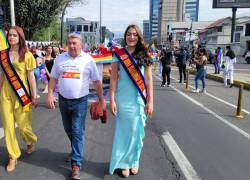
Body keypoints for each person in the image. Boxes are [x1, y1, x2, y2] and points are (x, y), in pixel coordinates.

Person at [47, 32, 106, 180]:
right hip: (63, 100)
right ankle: (76, 151)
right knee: (68, 129)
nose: (72, 46)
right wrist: (49, 94)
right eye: (70, 43)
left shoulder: (88, 60)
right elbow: (53, 78)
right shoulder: (60, 59)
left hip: (80, 101)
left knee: (77, 131)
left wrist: (101, 99)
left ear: (82, 45)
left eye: (75, 43)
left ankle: (76, 165)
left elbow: (97, 82)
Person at [109, 24, 154, 177]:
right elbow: (113, 78)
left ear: (139, 37)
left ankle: (134, 161)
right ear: (125, 36)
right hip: (123, 99)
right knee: (124, 132)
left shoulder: (145, 54)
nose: (131, 37)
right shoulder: (118, 54)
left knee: (136, 131)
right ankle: (124, 163)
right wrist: (112, 99)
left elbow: (148, 80)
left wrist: (150, 101)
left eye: (134, 34)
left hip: (138, 99)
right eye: (129, 34)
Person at [0, 26, 38, 172]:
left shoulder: (27, 55)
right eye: (10, 35)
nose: (11, 38)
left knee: (23, 126)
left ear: (20, 37)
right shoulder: (3, 54)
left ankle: (30, 140)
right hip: (5, 94)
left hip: (21, 95)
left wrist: (34, 95)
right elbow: (3, 75)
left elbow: (31, 77)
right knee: (8, 126)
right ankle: (13, 155)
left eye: (14, 36)